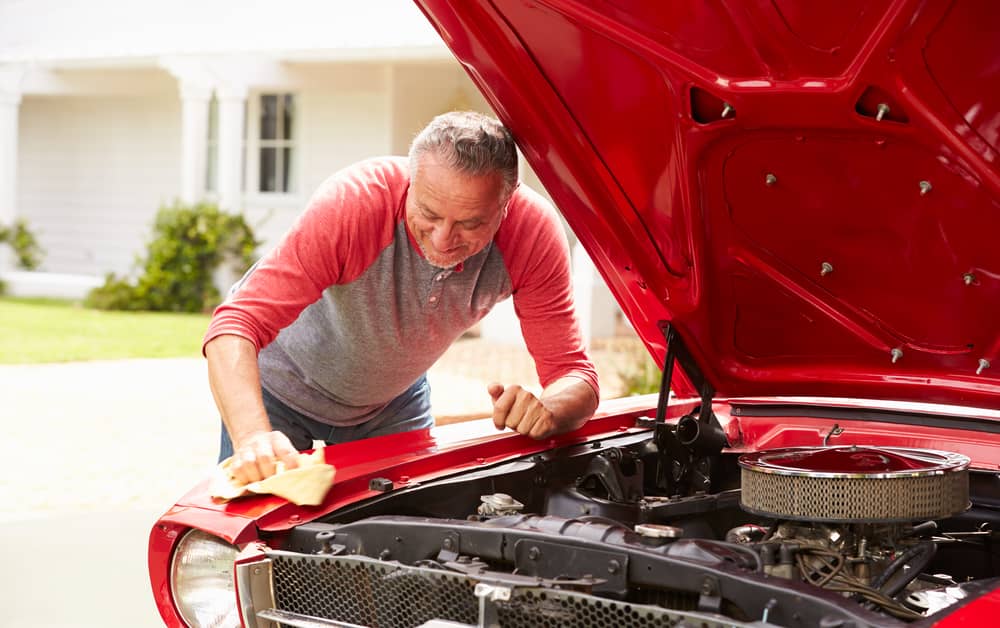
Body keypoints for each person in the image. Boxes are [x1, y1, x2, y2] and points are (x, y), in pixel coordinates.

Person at [204, 111, 599, 485]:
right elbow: (234, 325)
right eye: (428, 212)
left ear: (508, 199)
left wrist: (550, 409)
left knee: (403, 533)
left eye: (470, 223)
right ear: (410, 182)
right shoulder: (354, 204)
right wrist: (253, 436)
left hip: (392, 405)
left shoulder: (532, 235)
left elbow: (575, 375)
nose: (444, 239)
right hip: (279, 392)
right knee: (261, 539)